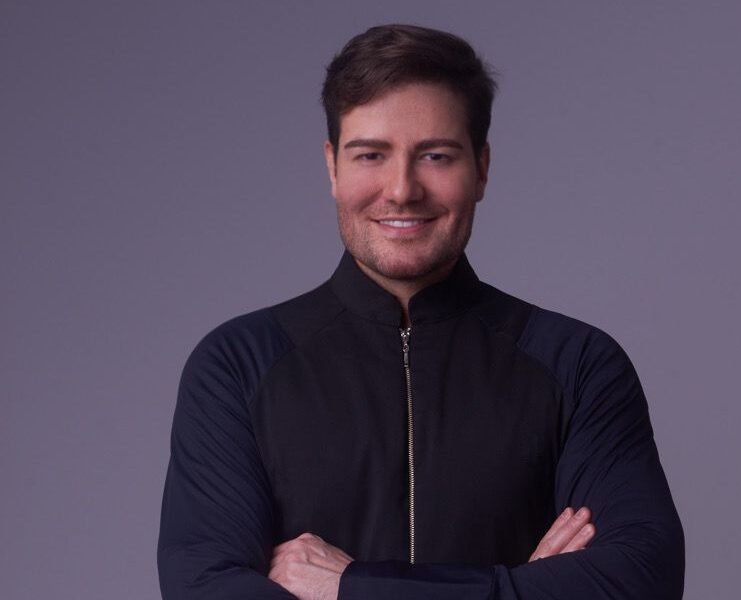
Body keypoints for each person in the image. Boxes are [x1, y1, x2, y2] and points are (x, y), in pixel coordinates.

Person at [157, 24, 684, 600]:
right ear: (332, 167)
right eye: (371, 155)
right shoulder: (238, 365)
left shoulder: (578, 365)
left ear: (481, 168)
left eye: (435, 155)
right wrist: (524, 588)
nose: (402, 189)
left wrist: (351, 587)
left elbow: (641, 581)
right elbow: (205, 589)